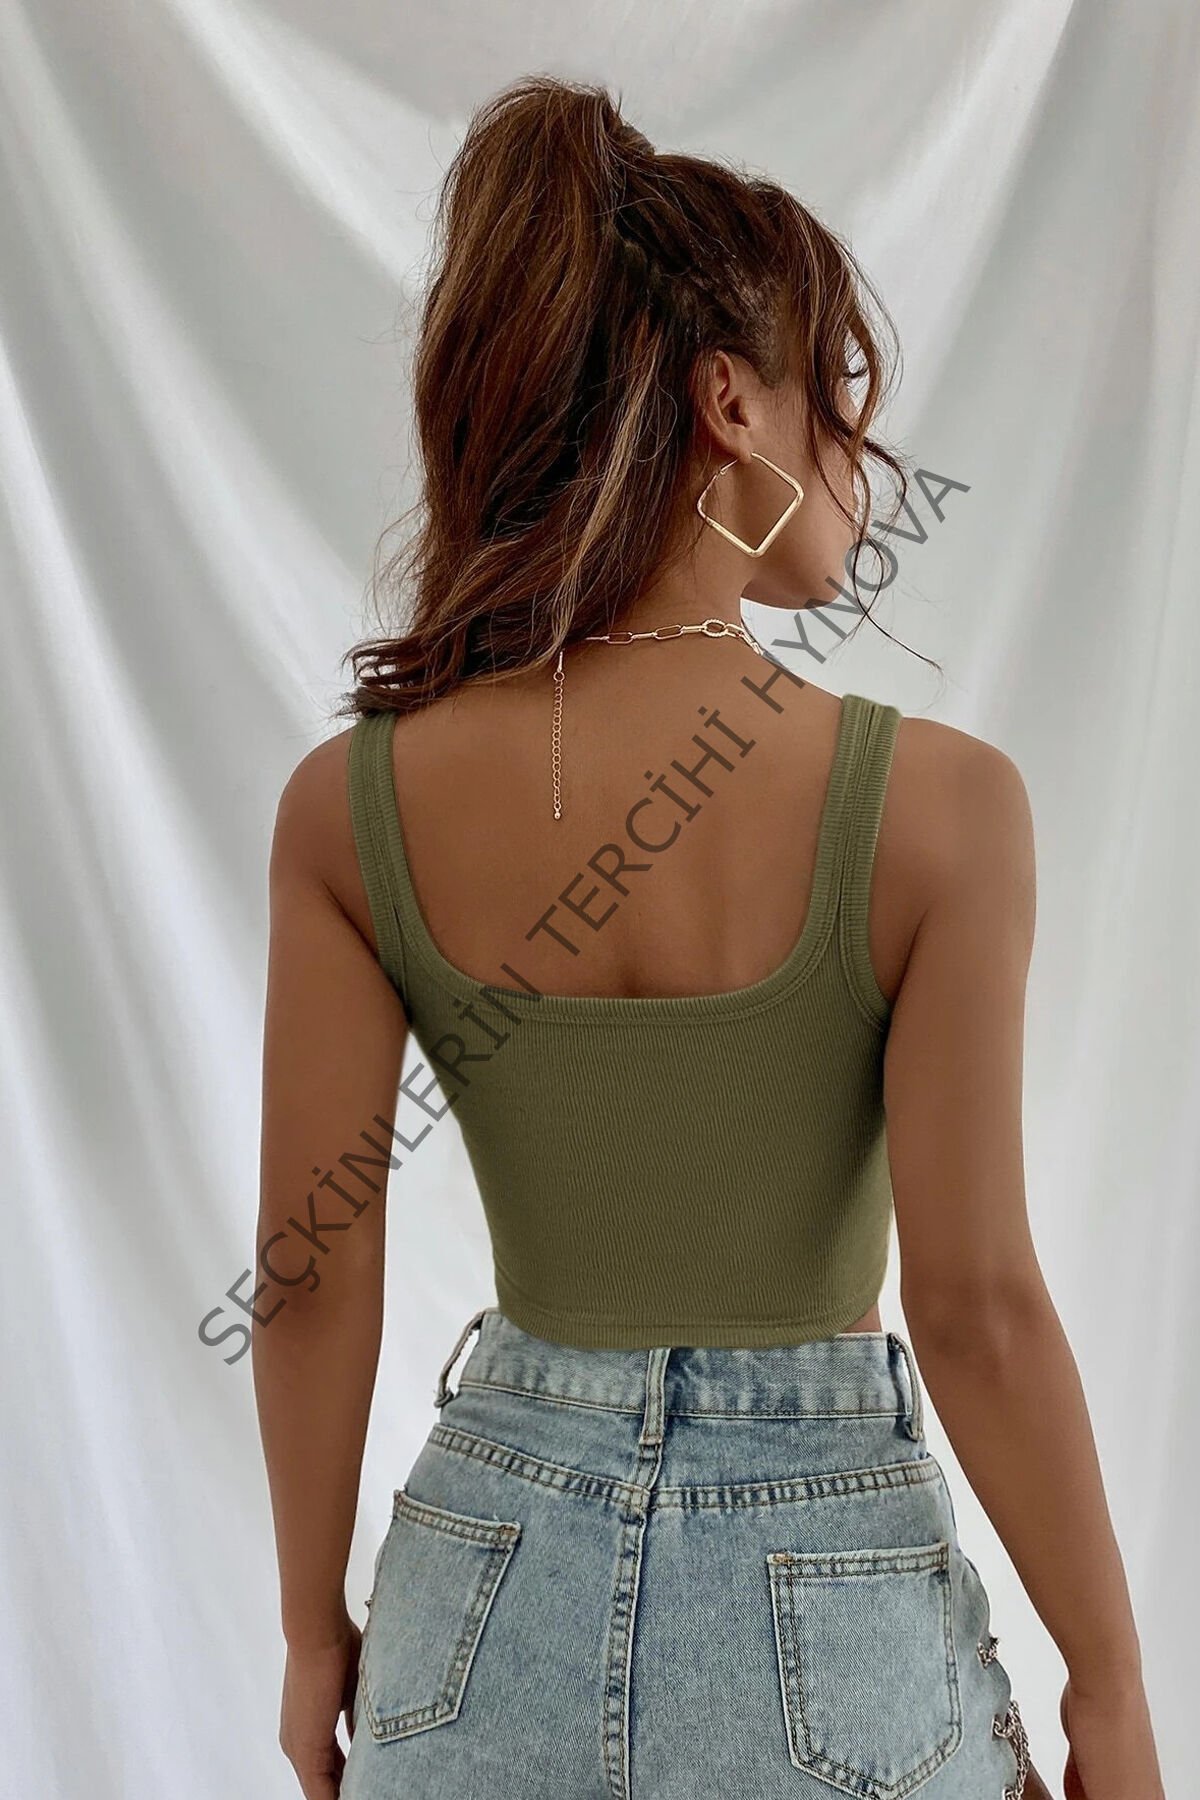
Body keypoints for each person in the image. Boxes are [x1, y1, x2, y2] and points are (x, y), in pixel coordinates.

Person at [252, 73, 1164, 1800]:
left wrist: (313, 1632)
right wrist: (1108, 1688)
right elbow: (976, 1306)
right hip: (834, 1607)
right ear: (729, 404)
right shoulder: (940, 811)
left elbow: (304, 1276)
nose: (862, 457)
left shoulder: (350, 808)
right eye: (840, 398)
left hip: (478, 1606)